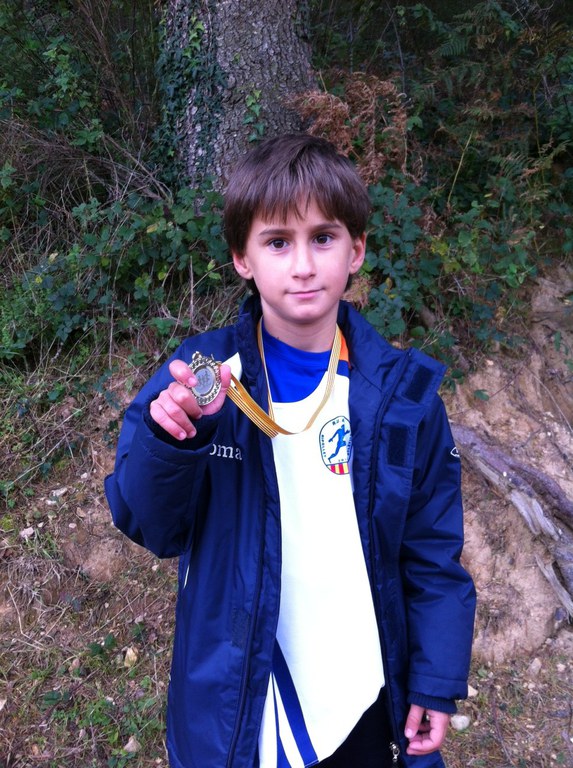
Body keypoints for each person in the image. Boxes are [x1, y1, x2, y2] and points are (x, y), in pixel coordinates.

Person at [105, 134, 476, 768]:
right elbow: (150, 525)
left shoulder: (401, 397)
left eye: (323, 238)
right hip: (242, 701)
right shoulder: (201, 377)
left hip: (361, 696)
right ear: (242, 259)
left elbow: (431, 551)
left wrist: (436, 679)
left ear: (356, 250)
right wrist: (172, 439)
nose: (303, 265)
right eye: (277, 242)